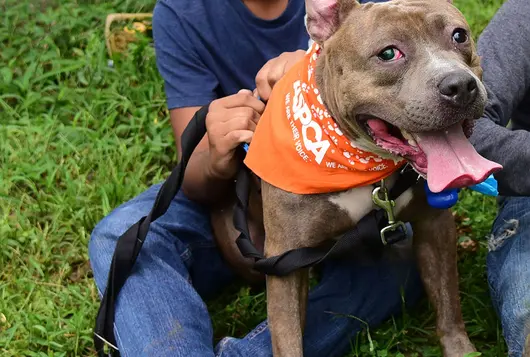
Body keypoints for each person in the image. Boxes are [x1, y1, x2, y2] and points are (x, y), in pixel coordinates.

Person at [89, 0, 530, 356]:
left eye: (458, 38)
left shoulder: (372, 15)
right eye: (388, 53)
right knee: (119, 235)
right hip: (240, 190)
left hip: (373, 180)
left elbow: (434, 220)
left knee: (398, 271)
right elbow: (195, 179)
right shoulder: (185, 13)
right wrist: (219, 148)